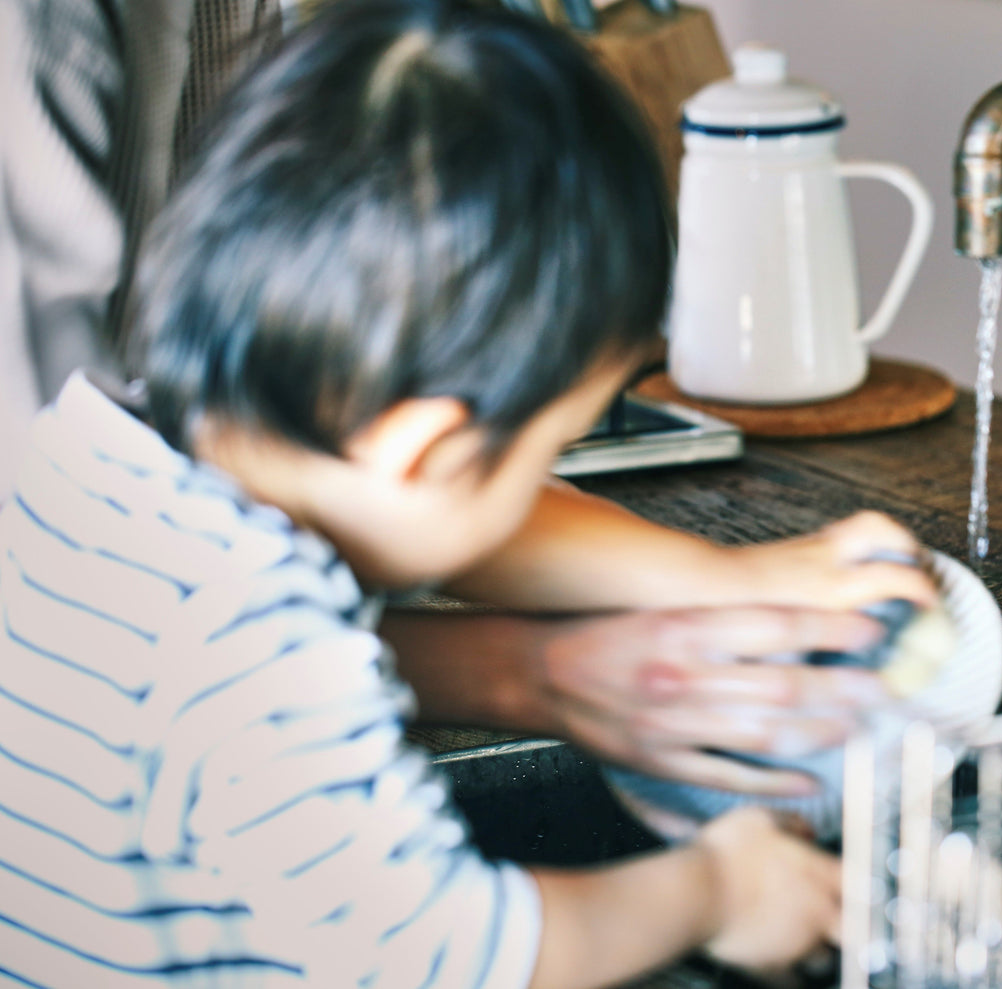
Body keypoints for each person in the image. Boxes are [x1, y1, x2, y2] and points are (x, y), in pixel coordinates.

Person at [0, 1, 937, 986]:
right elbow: (460, 954)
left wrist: (725, 580)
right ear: (425, 449)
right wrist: (719, 888)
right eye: (546, 454)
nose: (537, 487)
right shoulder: (277, 654)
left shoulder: (82, 457)